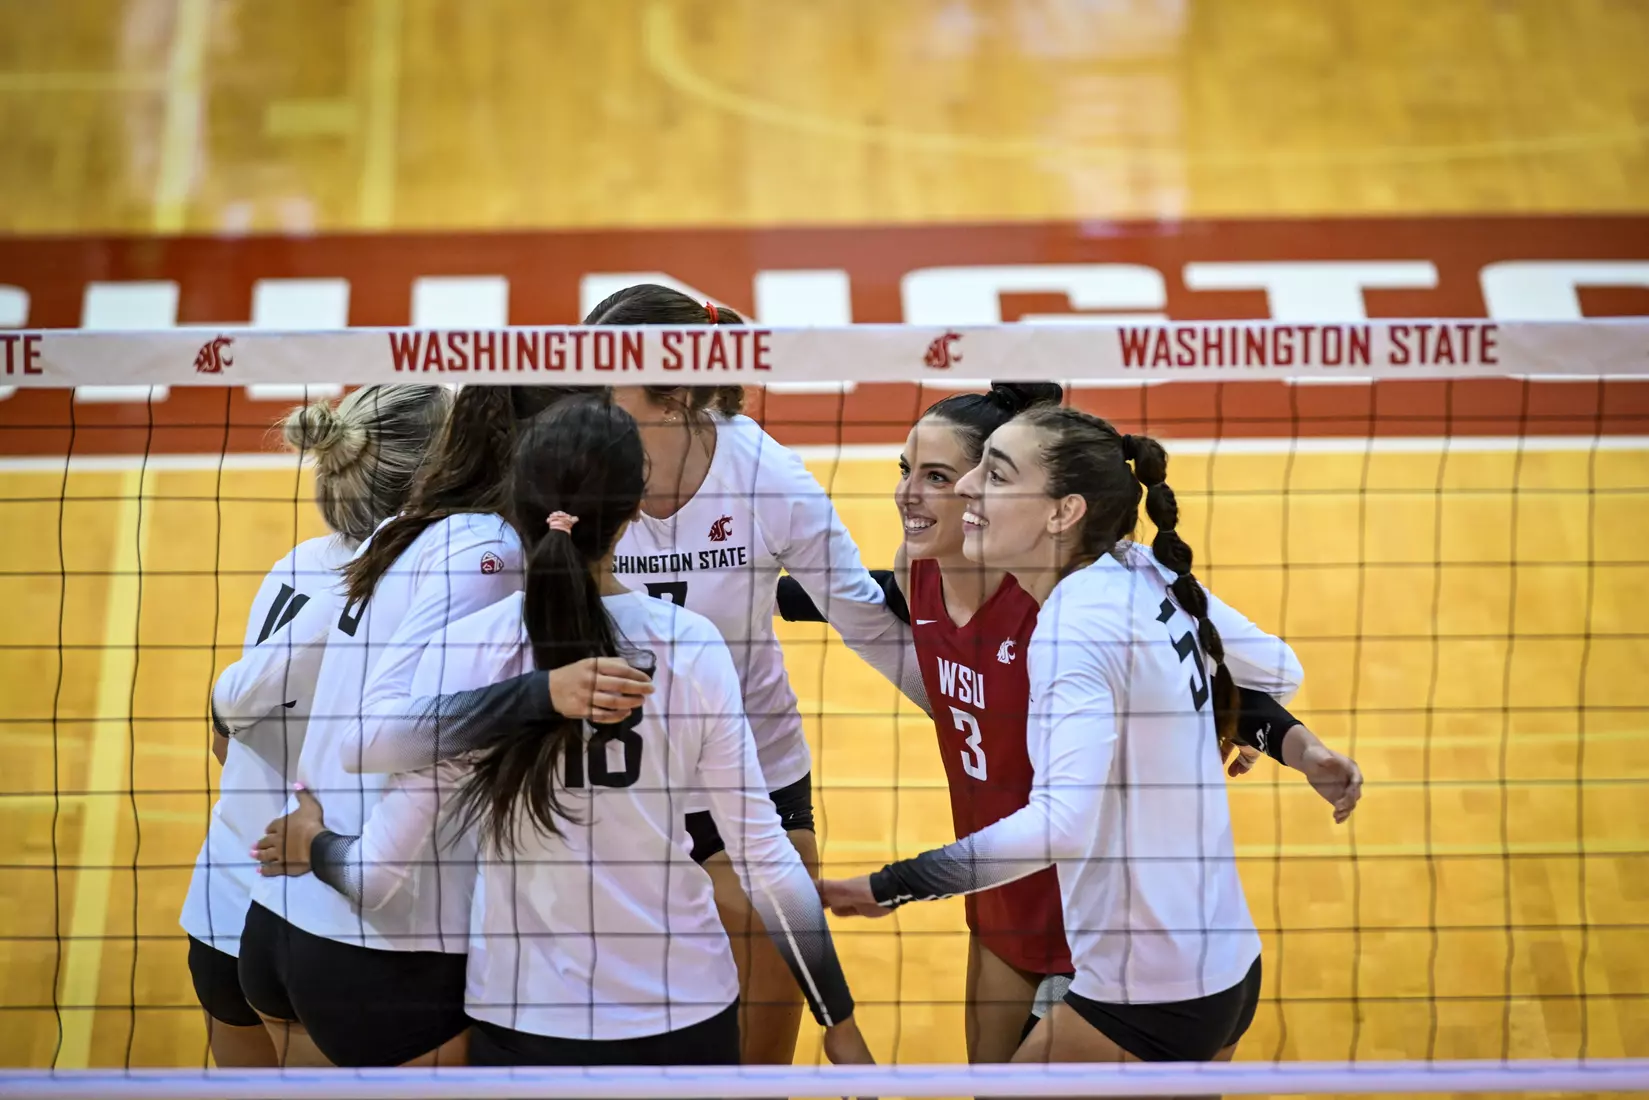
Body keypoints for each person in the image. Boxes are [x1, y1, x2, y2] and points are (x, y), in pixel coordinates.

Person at [253, 395, 875, 1067]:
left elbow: (371, 823)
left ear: (514, 499)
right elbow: (763, 855)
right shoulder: (690, 648)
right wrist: (835, 1019)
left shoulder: (468, 650)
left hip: (523, 1017)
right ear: (637, 502)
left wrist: (315, 844)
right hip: (683, 1007)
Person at [779, 385, 1362, 1061]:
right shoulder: (1081, 576)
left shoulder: (1061, 620)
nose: (939, 492)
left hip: (1121, 947)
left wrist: (891, 885)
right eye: (909, 471)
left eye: (968, 475)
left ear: (1058, 511)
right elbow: (1266, 667)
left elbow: (1062, 818)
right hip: (1098, 926)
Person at [211, 385, 623, 1068]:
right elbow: (402, 737)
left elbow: (236, 694)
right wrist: (541, 695)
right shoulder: (490, 553)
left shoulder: (400, 527)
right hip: (381, 945)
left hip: (282, 926)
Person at [592, 285, 919, 1064]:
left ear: (671, 395)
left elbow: (867, 621)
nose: (582, 391)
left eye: (603, 376)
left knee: (763, 1024)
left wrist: (992, 724)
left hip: (752, 763)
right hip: (622, 771)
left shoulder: (766, 478)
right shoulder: (575, 463)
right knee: (640, 1014)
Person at [182, 384, 450, 1067]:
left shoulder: (293, 566)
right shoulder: (418, 593)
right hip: (330, 925)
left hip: (222, 907)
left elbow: (227, 738)